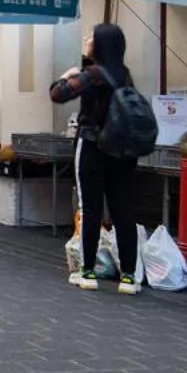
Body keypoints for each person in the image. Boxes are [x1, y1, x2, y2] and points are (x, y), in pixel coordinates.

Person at [51, 23, 143, 294]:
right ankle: (128, 277)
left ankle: (88, 272)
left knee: (91, 208)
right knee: (123, 210)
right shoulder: (125, 75)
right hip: (123, 151)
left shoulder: (92, 74)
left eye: (92, 36)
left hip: (92, 146)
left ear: (100, 45)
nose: (87, 39)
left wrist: (66, 76)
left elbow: (57, 94)